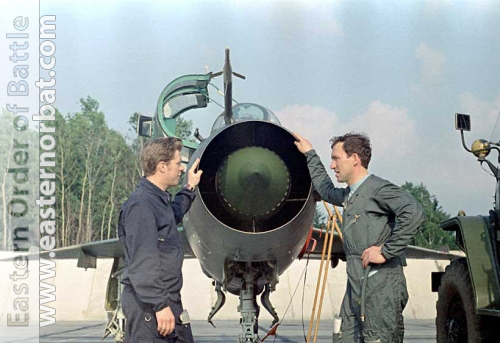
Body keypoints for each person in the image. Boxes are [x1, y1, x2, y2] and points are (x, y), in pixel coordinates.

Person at [294, 132, 425, 343]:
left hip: (380, 284)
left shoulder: (378, 189)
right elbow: (326, 190)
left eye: (336, 158)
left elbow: (414, 211)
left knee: (378, 338)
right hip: (356, 283)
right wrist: (310, 154)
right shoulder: (350, 195)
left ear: (355, 159)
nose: (332, 165)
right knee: (347, 338)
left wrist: (385, 251)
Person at [118, 137, 203, 343]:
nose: (181, 169)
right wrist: (160, 305)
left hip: (166, 300)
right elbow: (143, 262)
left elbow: (171, 216)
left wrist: (189, 188)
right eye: (178, 163)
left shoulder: (157, 201)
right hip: (150, 306)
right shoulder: (140, 206)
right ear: (162, 166)